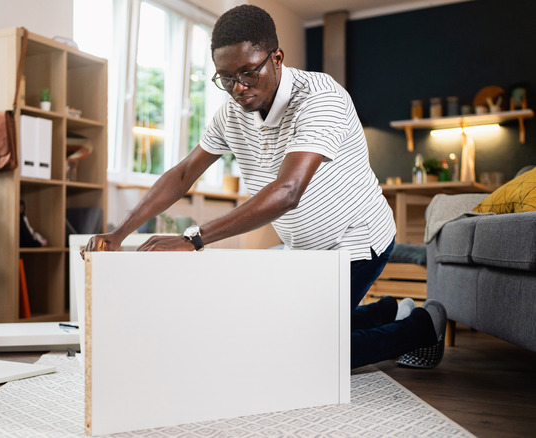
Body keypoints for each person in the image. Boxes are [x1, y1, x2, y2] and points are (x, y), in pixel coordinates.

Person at [83, 4, 446, 369]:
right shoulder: (231, 113)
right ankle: (387, 311)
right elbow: (182, 175)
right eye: (225, 78)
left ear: (277, 58)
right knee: (271, 328)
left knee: (299, 354)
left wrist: (192, 239)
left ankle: (422, 327)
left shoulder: (320, 99)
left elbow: (288, 191)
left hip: (355, 242)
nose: (238, 88)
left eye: (248, 73)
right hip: (302, 247)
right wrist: (119, 233)